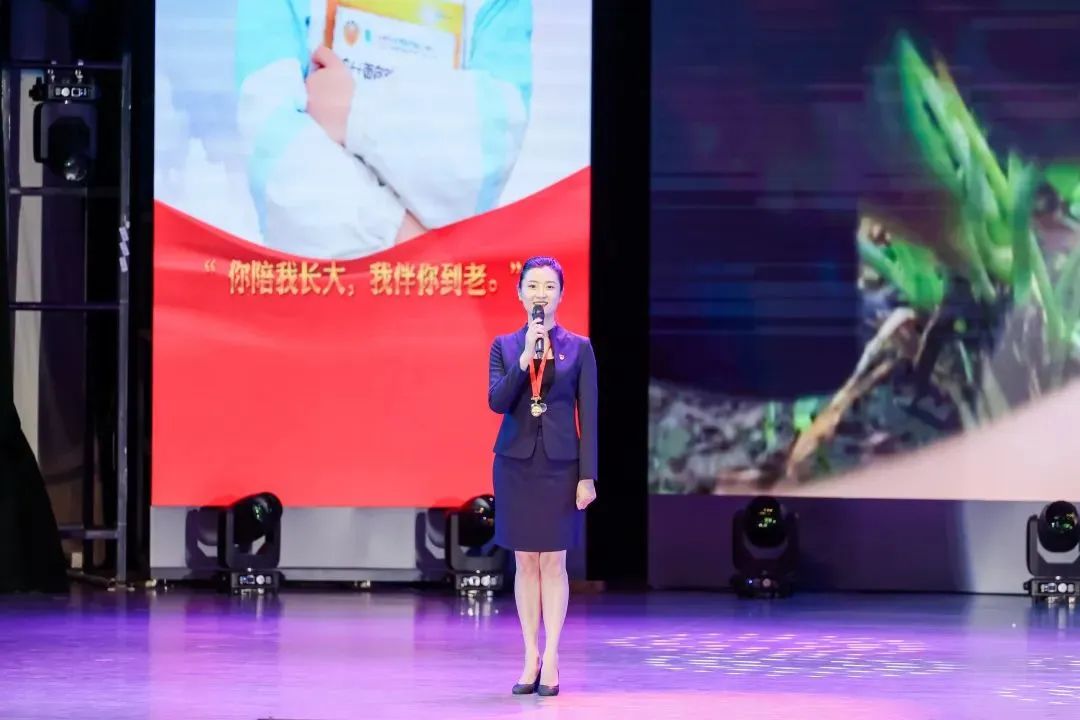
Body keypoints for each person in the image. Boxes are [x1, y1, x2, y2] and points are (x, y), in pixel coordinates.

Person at [234, 0, 533, 259]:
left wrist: (355, 112)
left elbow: (488, 144)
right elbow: (273, 149)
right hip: (333, 291)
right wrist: (404, 239)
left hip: (439, 293)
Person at [487, 256, 598, 696]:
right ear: (520, 294)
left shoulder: (580, 348)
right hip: (515, 464)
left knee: (553, 561)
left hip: (560, 465)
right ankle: (529, 654)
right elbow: (497, 402)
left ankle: (552, 656)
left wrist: (587, 475)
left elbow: (589, 416)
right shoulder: (504, 345)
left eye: (549, 286)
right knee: (524, 561)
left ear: (561, 294)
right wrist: (523, 360)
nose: (540, 293)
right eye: (532, 286)